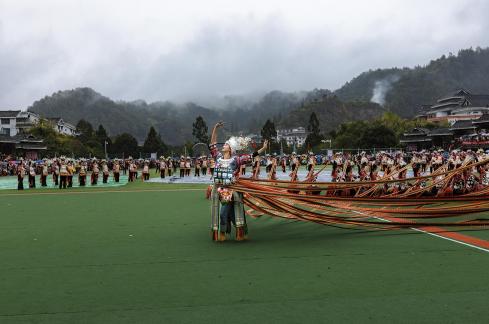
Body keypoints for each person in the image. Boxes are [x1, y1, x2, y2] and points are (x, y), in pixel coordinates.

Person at [209, 121, 268, 242]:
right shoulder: (218, 157)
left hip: (231, 190)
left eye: (225, 145)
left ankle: (224, 233)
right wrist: (215, 128)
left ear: (230, 149)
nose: (223, 146)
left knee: (225, 213)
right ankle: (235, 232)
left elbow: (251, 156)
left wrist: (263, 148)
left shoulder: (236, 160)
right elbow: (212, 144)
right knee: (229, 214)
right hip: (218, 189)